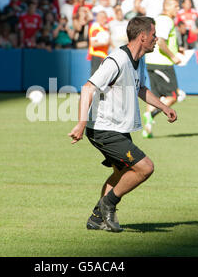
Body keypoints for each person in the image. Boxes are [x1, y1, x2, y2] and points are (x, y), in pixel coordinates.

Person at [68, 16, 177, 233]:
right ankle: (108, 204)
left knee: (121, 173)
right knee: (145, 167)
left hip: (118, 129)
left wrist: (163, 107)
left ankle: (97, 218)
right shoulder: (116, 60)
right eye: (154, 35)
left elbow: (140, 88)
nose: (156, 39)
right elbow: (88, 88)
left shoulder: (140, 59)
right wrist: (81, 123)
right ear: (142, 36)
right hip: (103, 129)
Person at [143, 0, 181, 138]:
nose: (178, 9)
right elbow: (161, 42)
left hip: (152, 61)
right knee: (173, 95)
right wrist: (173, 56)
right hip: (162, 63)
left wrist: (177, 49)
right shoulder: (166, 20)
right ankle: (151, 115)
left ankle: (147, 130)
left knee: (156, 96)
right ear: (168, 7)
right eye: (176, 6)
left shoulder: (157, 19)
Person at [88, 11, 110, 76]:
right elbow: (93, 44)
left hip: (103, 55)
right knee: (95, 77)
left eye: (105, 17)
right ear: (98, 18)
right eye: (102, 17)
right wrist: (104, 43)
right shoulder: (95, 28)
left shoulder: (104, 28)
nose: (104, 19)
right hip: (97, 55)